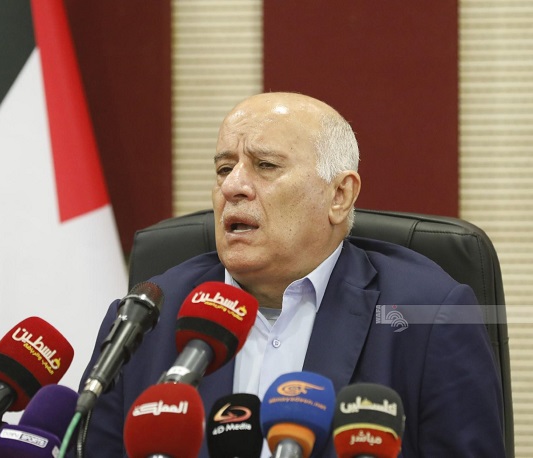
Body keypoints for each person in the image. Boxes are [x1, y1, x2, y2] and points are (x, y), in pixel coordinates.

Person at [76, 92, 505, 457]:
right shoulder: (145, 319)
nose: (232, 187)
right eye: (224, 169)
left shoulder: (428, 314)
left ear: (339, 195)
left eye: (265, 165)